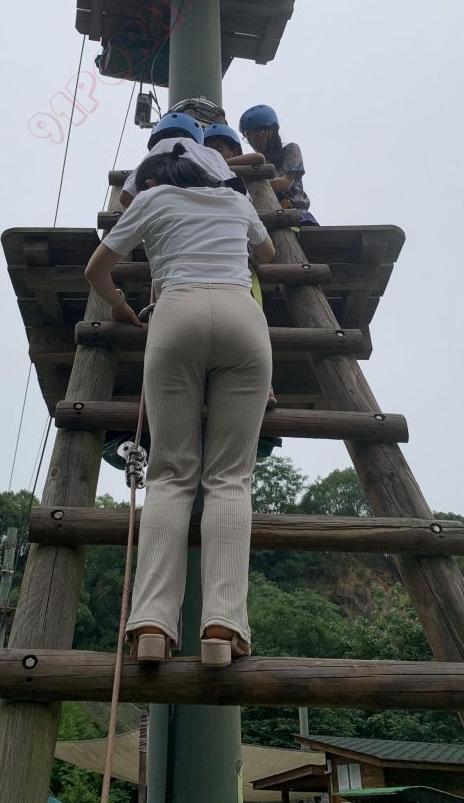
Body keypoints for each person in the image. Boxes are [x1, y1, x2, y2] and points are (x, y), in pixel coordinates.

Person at [85, 145, 275, 666]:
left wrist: (121, 308)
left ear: (153, 178)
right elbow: (267, 255)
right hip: (243, 319)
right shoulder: (234, 201)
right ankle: (222, 626)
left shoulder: (152, 200)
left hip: (175, 316)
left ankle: (151, 623)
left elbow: (96, 271)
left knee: (170, 474)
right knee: (230, 478)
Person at [204, 122, 277, 408]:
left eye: (218, 149)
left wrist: (215, 161)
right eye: (207, 150)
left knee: (250, 318)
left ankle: (264, 384)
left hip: (238, 258)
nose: (212, 153)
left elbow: (258, 158)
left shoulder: (231, 176)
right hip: (210, 254)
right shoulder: (198, 175)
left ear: (234, 151)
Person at [119, 111, 235, 209]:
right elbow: (240, 192)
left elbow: (126, 196)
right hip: (227, 213)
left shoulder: (164, 144)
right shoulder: (215, 155)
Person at [238, 104, 318, 225]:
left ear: (273, 131)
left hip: (295, 215)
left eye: (257, 135)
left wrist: (251, 183)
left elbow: (285, 183)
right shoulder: (256, 163)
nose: (253, 141)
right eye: (248, 136)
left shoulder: (290, 149)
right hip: (266, 213)